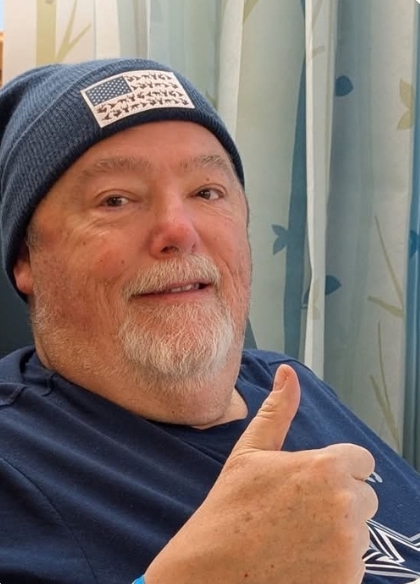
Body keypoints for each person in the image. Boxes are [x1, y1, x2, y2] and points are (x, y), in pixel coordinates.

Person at [0, 57, 418, 584]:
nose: (179, 229)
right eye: (116, 200)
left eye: (207, 192)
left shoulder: (288, 384)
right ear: (26, 259)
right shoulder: (15, 461)